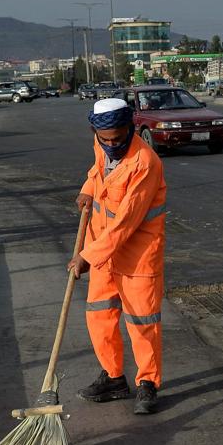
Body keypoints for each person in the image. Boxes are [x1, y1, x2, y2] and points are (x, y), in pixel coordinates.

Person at [68, 97, 167, 415]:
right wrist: (87, 187)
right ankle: (113, 378)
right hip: (102, 250)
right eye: (105, 139)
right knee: (99, 315)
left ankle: (148, 384)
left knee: (142, 321)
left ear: (131, 128)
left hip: (137, 254)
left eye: (118, 138)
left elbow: (126, 221)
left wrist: (86, 255)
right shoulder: (101, 142)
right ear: (95, 132)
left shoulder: (145, 163)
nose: (112, 145)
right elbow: (98, 171)